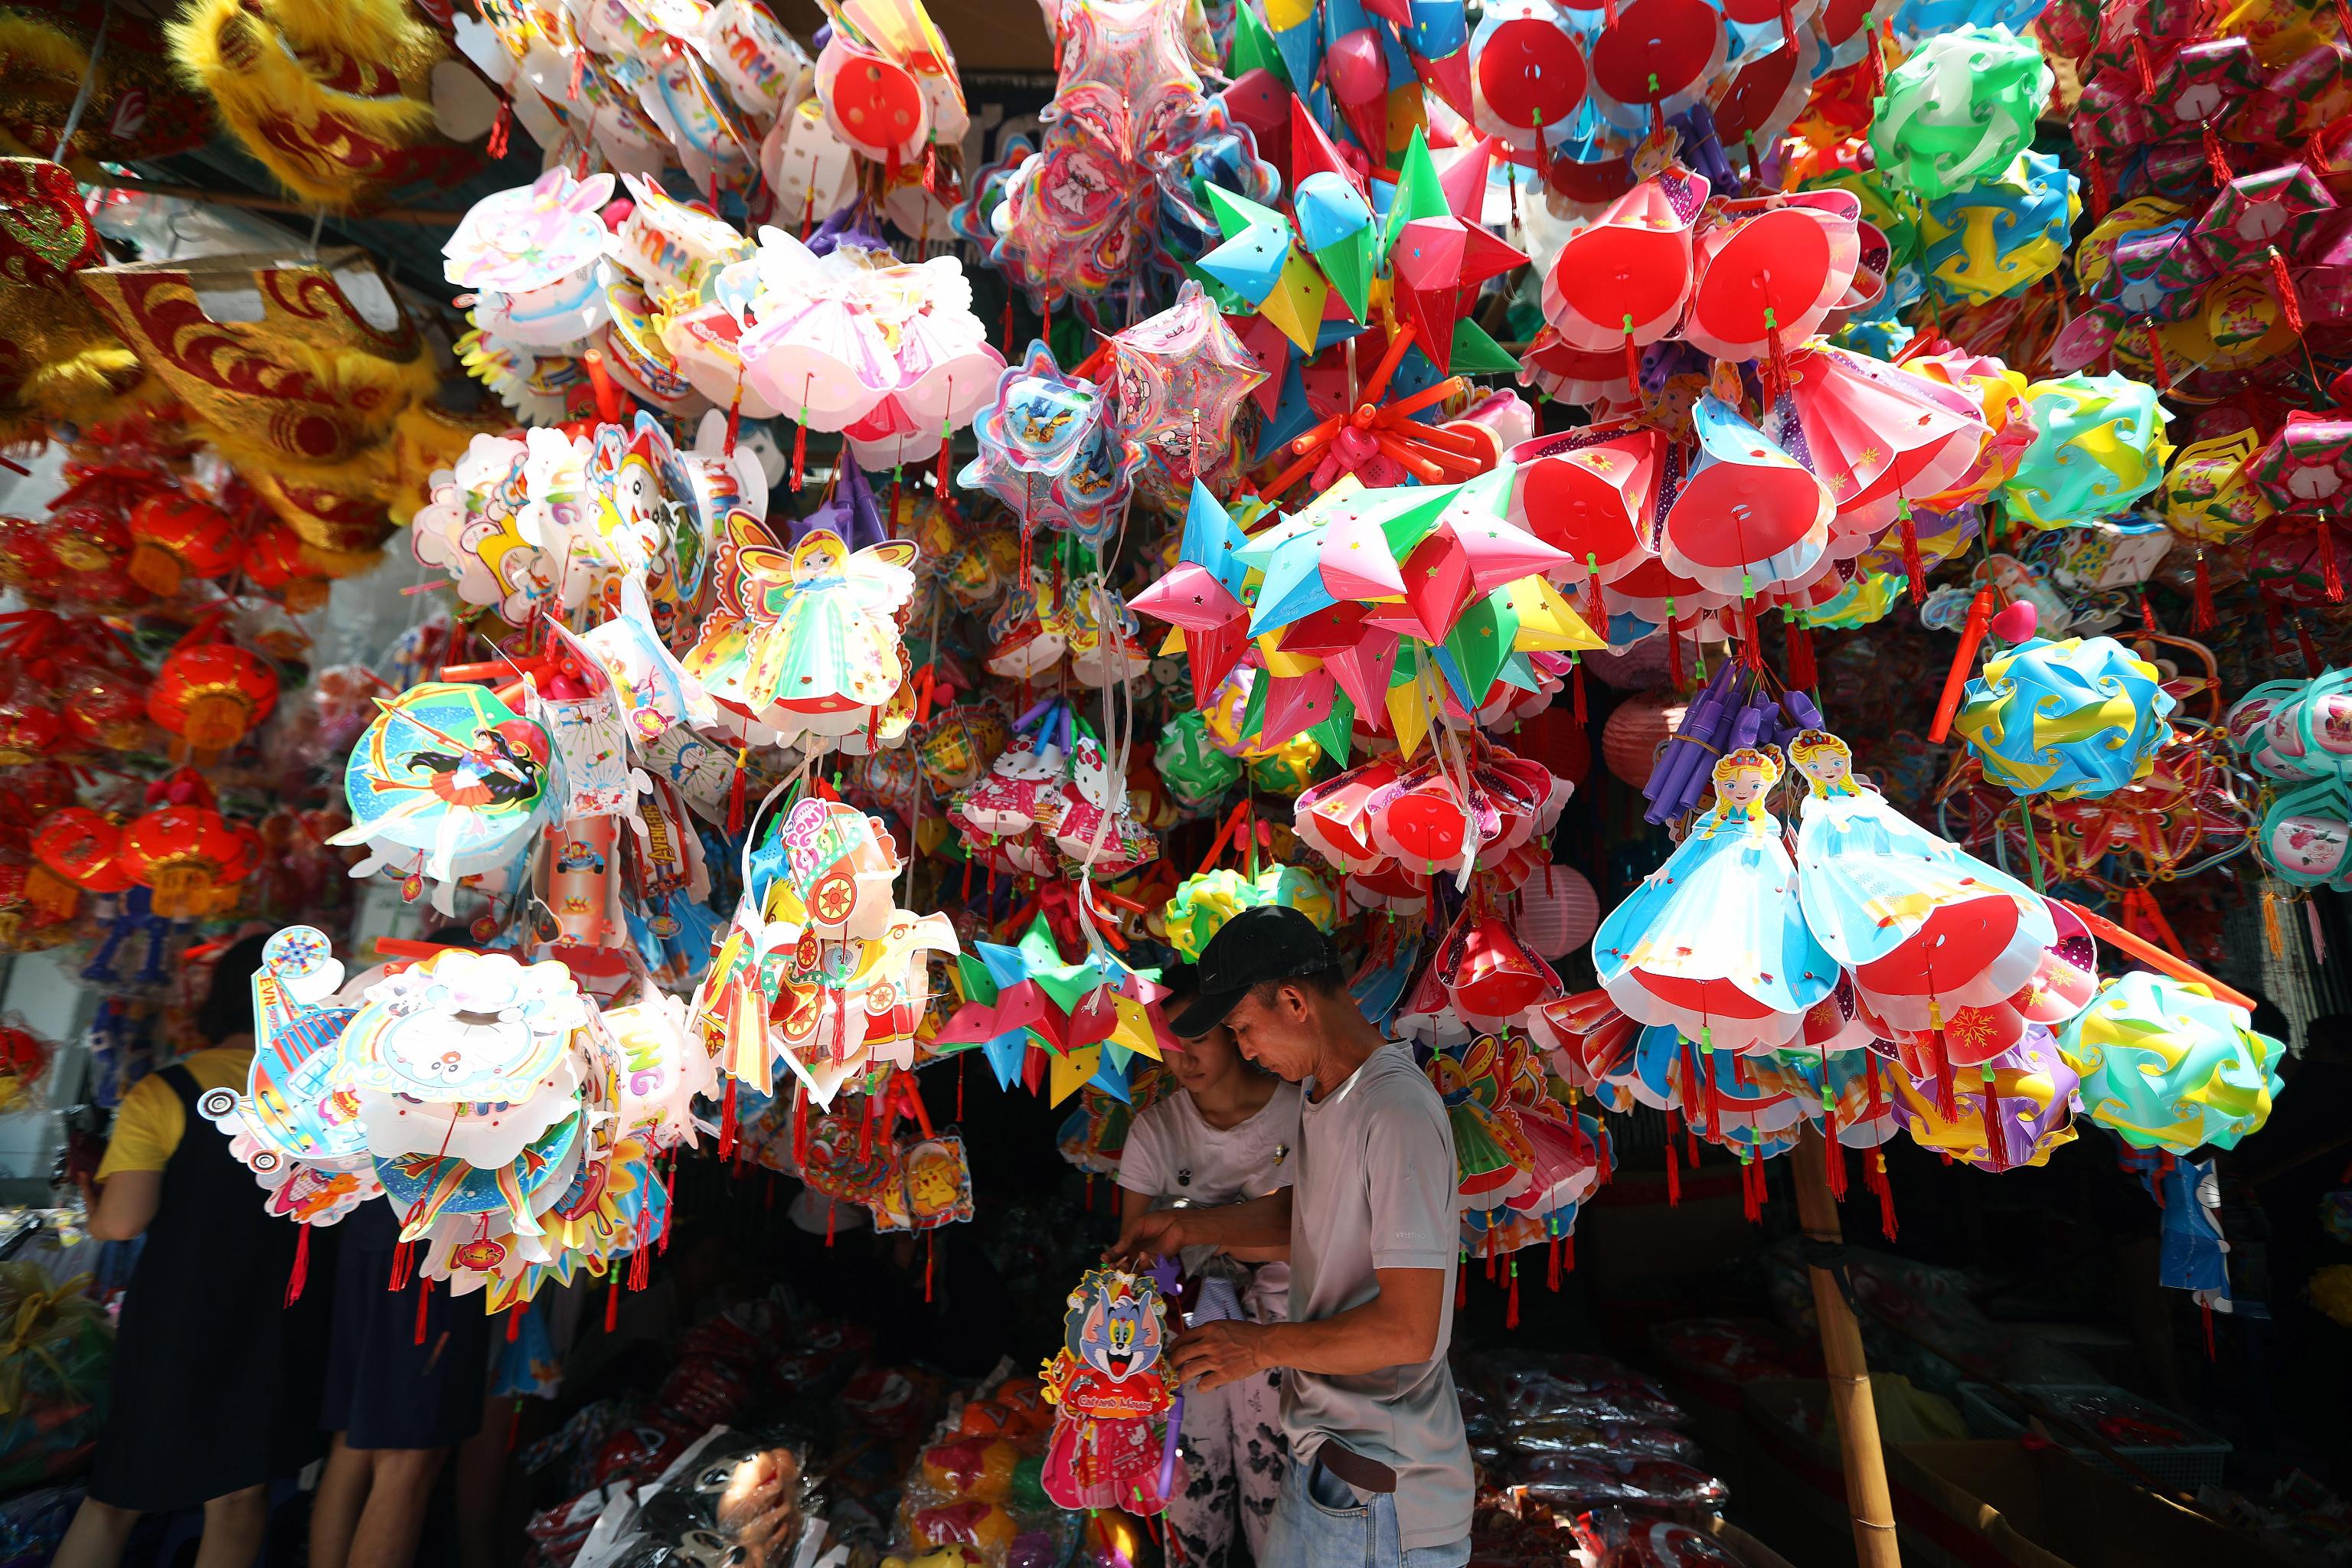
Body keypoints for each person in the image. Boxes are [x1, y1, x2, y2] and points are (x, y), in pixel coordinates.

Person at [1116, 906, 1472, 1568]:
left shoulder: (1393, 1111)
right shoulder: (1325, 1094)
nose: (1246, 1051)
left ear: (1292, 1001)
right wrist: (1192, 1227)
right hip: (1325, 1458)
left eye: (1244, 1029)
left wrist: (1256, 1348)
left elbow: (1410, 1331)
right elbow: (1310, 1214)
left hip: (1380, 1483)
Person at [57, 932, 334, 1568]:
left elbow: (122, 1226)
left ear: (219, 1000)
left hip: (177, 1317)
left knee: (117, 1499)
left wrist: (88, 1188)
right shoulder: (327, 1104)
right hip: (277, 1318)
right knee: (237, 1499)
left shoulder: (165, 1091)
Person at [310, 927, 495, 1568]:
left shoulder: (383, 1041)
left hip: (372, 1239)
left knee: (356, 1444)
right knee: (408, 1461)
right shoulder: (473, 1055)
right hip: (428, 1256)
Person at [1116, 963, 1302, 1568]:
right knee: (1193, 1482)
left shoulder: (1302, 1114)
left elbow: (1323, 1235)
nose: (1184, 1059)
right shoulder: (1155, 1131)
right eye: (1171, 1045)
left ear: (1235, 1033)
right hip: (1184, 1330)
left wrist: (1210, 1233)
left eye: (1197, 1039)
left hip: (1284, 1332)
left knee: (1276, 1478)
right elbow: (1131, 1253)